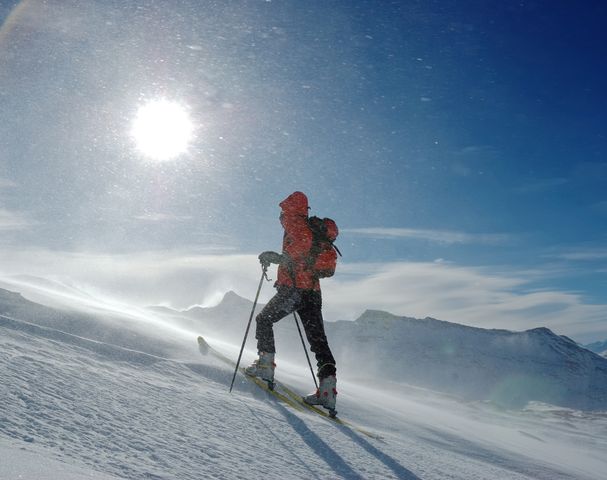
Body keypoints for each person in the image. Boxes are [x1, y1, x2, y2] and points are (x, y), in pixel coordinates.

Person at [245, 191, 338, 413]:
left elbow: (297, 256)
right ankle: (327, 392)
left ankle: (265, 366)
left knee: (264, 319)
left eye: (283, 210)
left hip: (295, 289)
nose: (280, 214)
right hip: (313, 293)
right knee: (318, 342)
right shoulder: (309, 229)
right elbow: (305, 257)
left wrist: (275, 258)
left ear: (290, 209)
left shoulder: (297, 226)